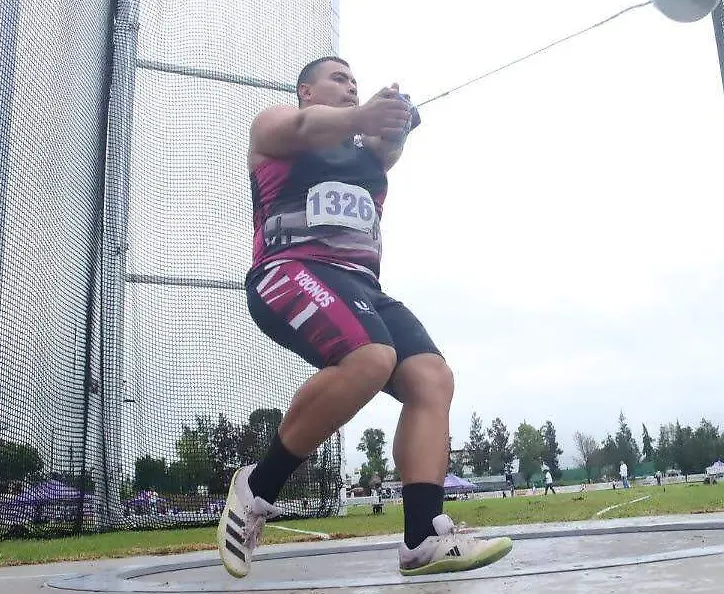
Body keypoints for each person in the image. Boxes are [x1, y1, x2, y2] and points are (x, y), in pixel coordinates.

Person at [216, 56, 513, 579]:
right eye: (338, 79)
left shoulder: (365, 152)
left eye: (356, 82)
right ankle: (258, 487)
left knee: (431, 378)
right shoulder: (276, 124)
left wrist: (396, 123)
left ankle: (423, 536)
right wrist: (368, 115)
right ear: (305, 91)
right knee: (371, 357)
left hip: (362, 287)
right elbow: (309, 128)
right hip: (289, 270)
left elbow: (386, 148)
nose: (351, 87)